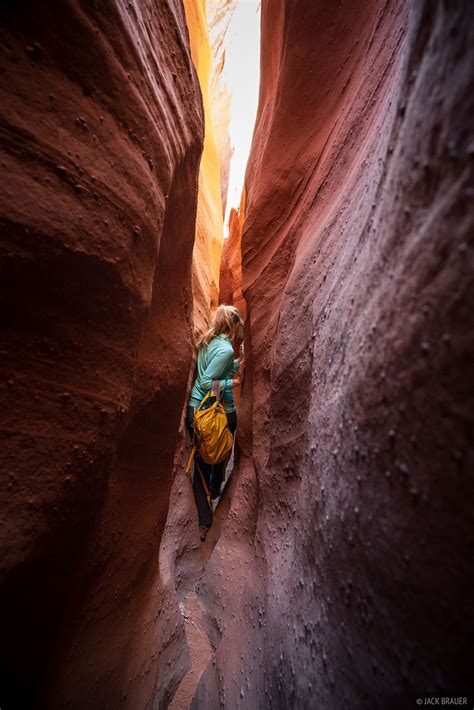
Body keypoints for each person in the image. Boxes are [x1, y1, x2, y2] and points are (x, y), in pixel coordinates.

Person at [186, 305, 244, 541]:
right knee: (212, 458)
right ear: (234, 325)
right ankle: (205, 518)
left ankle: (211, 496)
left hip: (196, 409)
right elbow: (207, 381)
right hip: (210, 413)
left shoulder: (208, 342)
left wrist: (237, 365)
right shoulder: (225, 350)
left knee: (204, 460)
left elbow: (218, 370)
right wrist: (235, 383)